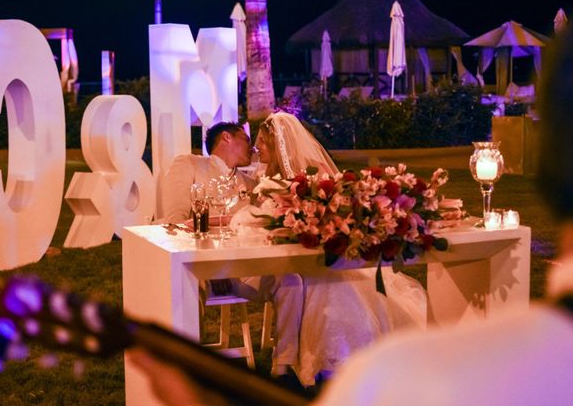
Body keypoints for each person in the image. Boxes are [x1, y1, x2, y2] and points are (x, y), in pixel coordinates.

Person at [129, 27, 573, 405]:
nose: (255, 149)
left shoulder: (402, 382)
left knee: (304, 279)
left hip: (283, 263)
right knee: (302, 279)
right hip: (240, 265)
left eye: (260, 144)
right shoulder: (200, 171)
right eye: (251, 142)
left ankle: (289, 365)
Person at [252, 112, 427, 386]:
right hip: (294, 260)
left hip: (307, 257)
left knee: (329, 287)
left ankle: (336, 356)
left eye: (262, 142)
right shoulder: (267, 180)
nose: (257, 148)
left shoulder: (297, 182)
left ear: (277, 145)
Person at [161, 121, 304, 376]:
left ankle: (282, 366)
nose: (254, 148)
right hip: (201, 266)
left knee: (291, 279)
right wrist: (224, 223)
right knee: (190, 283)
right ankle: (190, 369)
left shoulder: (252, 184)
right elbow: (175, 221)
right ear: (227, 137)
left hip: (241, 269)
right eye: (248, 140)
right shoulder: (190, 165)